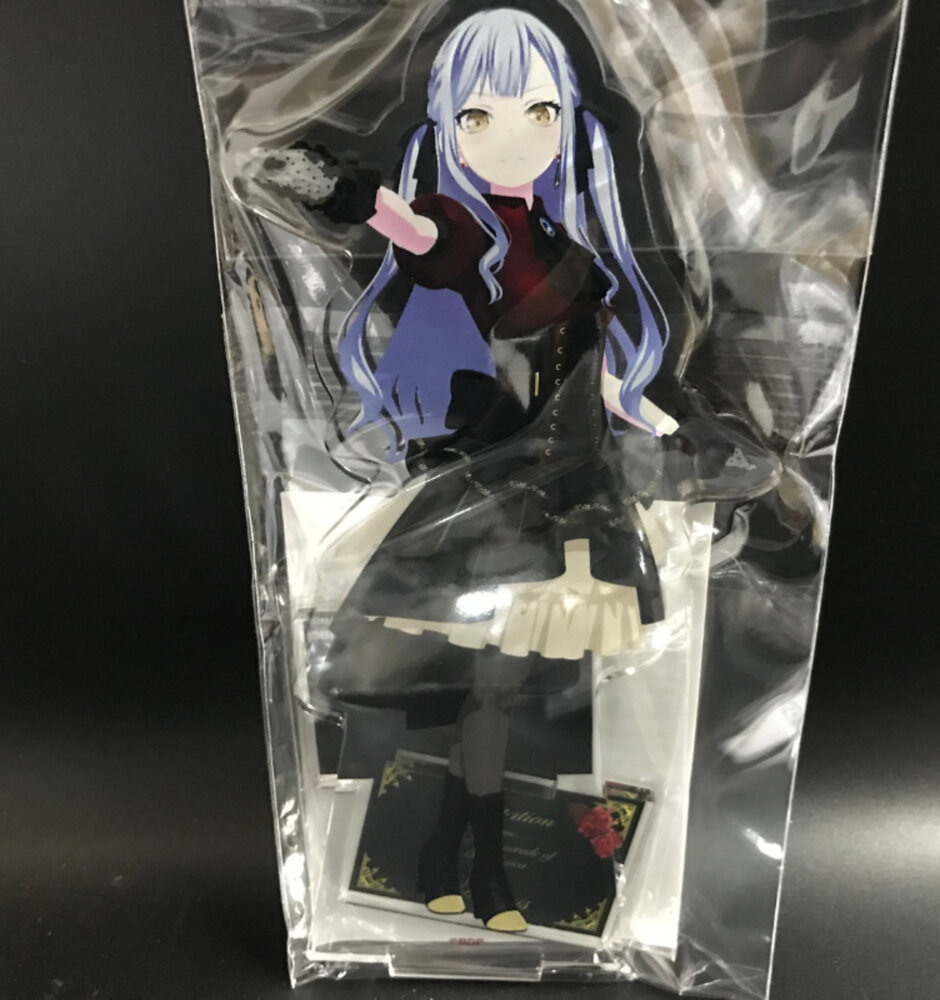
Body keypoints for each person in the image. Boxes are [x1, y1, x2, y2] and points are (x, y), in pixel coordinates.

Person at [256, 8, 776, 933]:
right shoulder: (455, 228)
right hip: (483, 490)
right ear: (449, 125)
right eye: (478, 116)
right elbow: (402, 225)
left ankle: (455, 866)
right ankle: (474, 873)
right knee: (478, 700)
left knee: (493, 699)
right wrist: (330, 186)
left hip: (568, 495)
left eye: (540, 113)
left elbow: (605, 377)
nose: (513, 137)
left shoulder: (574, 251)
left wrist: (679, 427)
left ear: (568, 121)